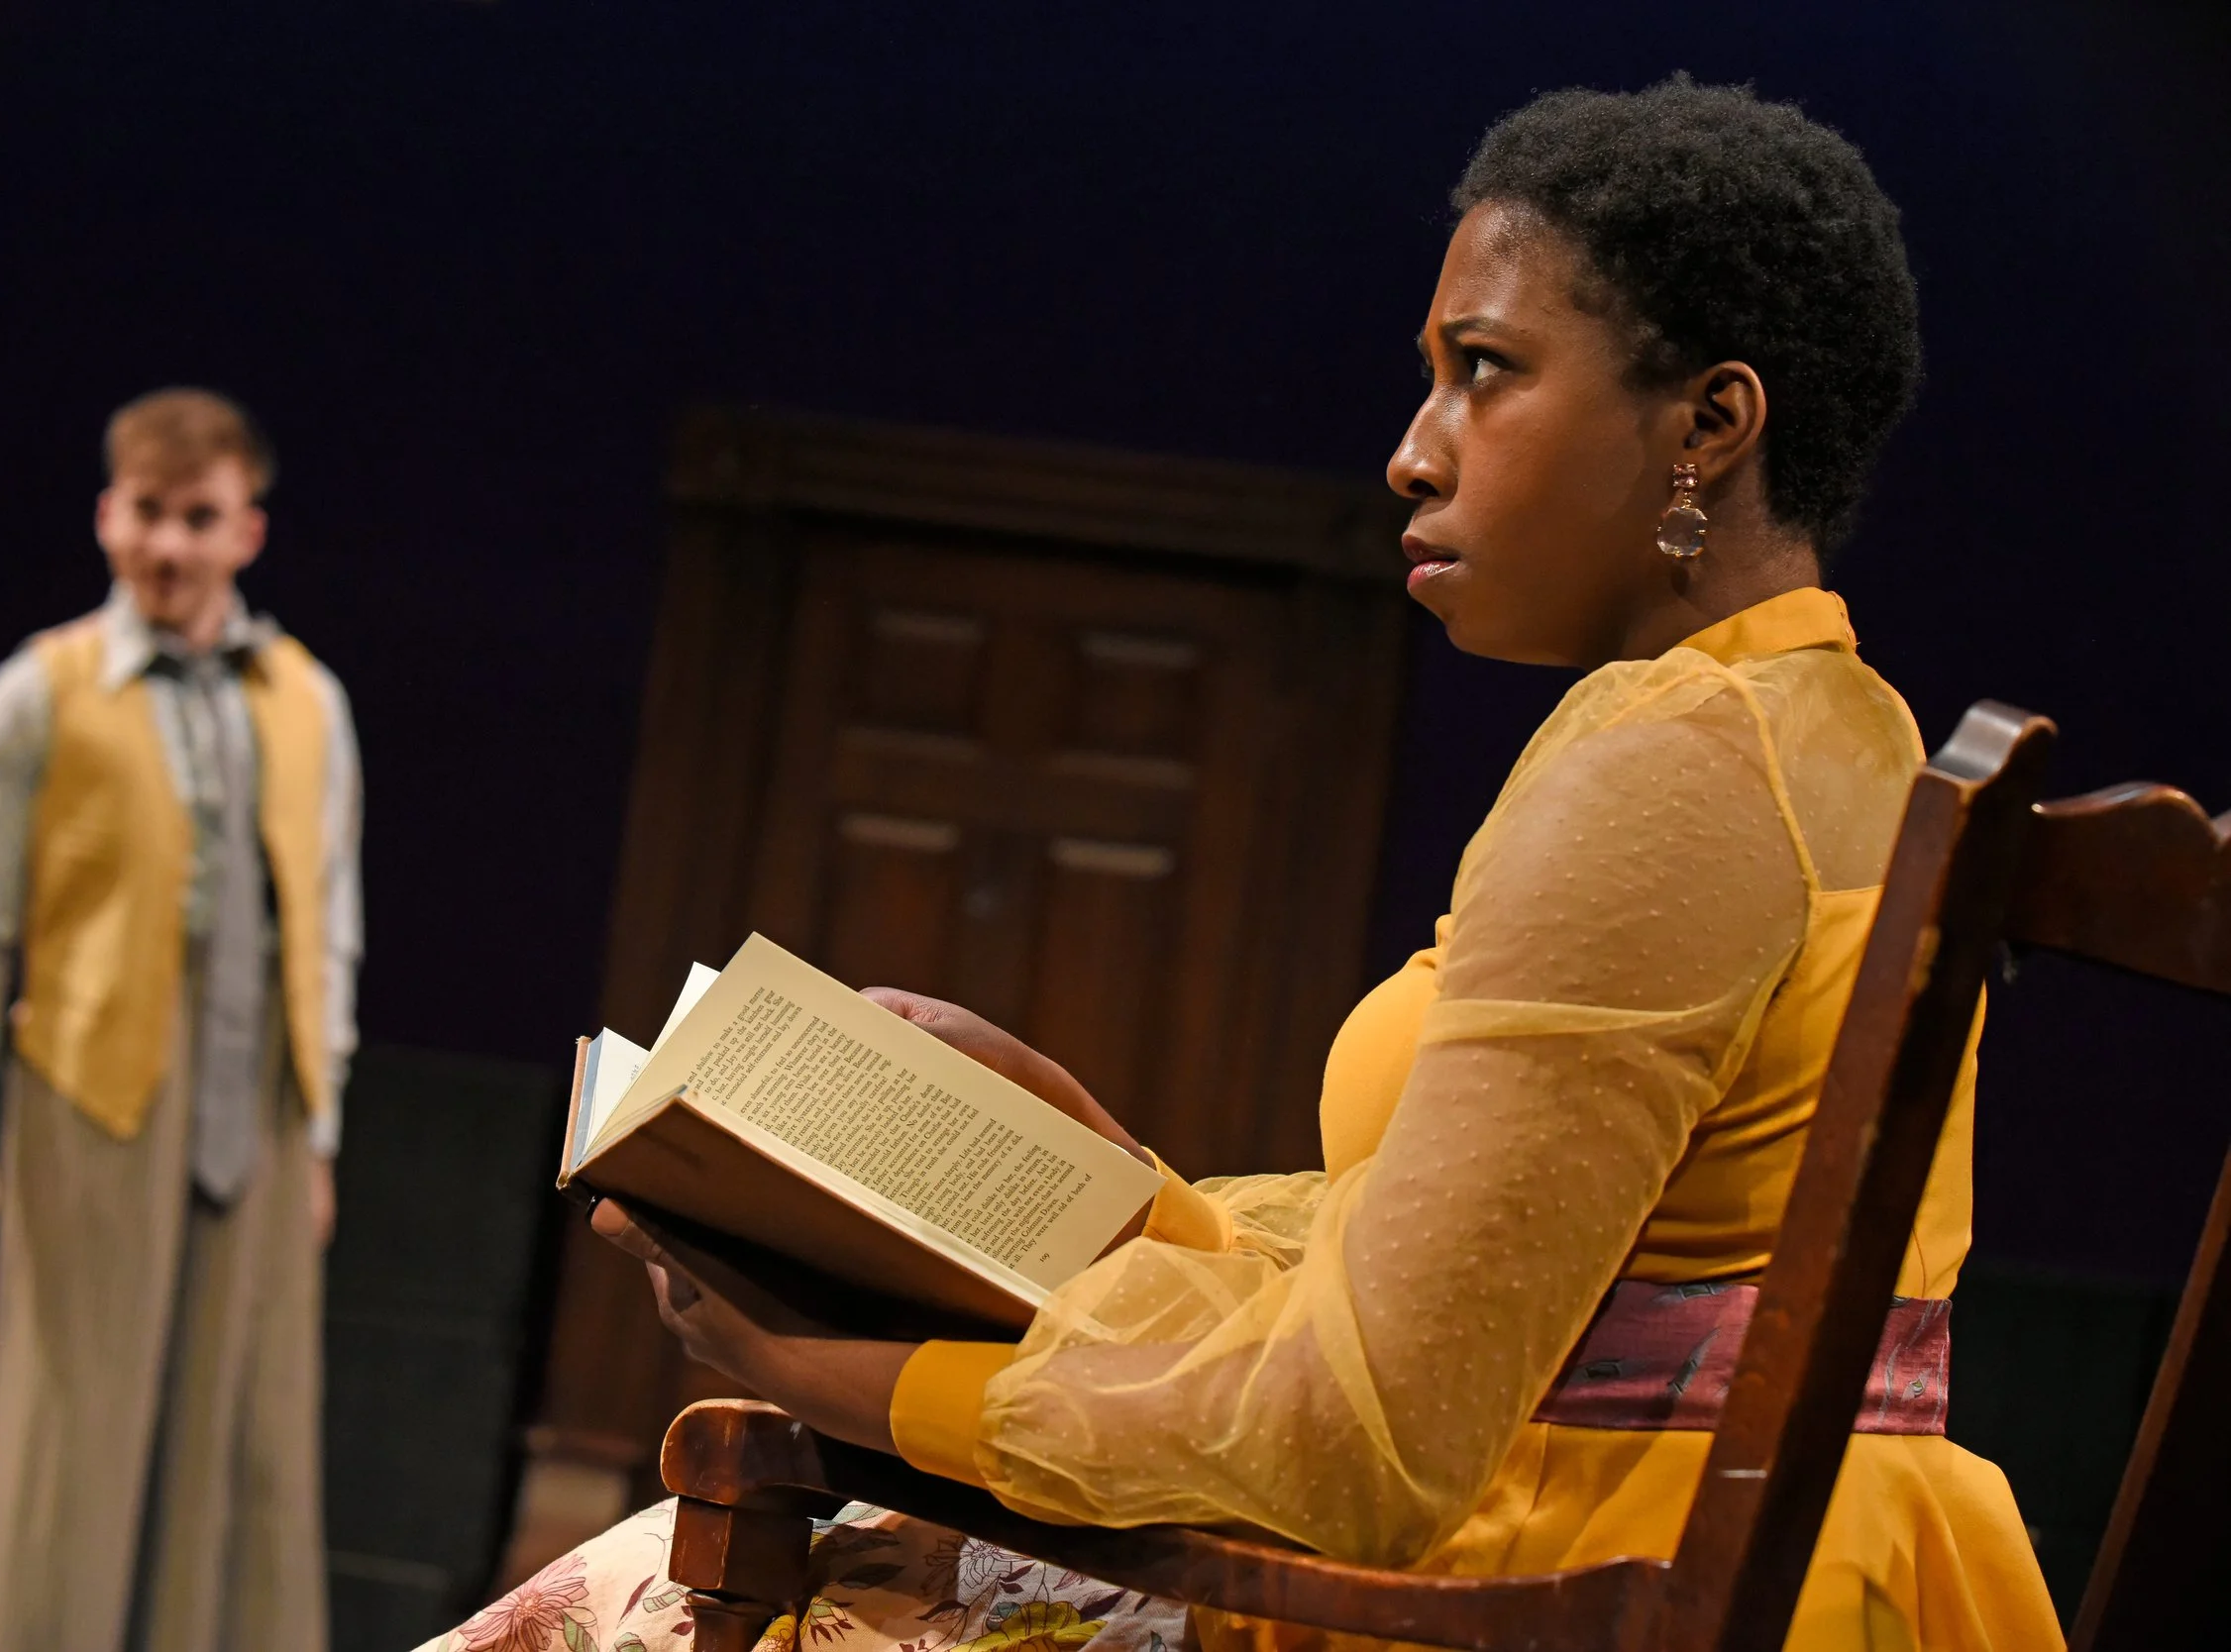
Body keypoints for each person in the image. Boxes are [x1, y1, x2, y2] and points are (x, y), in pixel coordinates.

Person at [434, 78, 2060, 1652]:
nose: (1414, 451)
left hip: (1574, 1581)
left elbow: (1361, 1439)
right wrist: (1123, 1185)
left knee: (645, 1594)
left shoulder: (1674, 767)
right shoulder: (1831, 722)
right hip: (1733, 1545)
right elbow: (1507, 1283)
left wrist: (844, 1375)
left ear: (1711, 422)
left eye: (1484, 371)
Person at [0, 387, 364, 1652]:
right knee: (74, 1440)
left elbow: (325, 921)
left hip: (258, 1107)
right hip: (94, 1091)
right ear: (107, 516)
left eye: (197, 519)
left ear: (245, 532)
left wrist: (315, 1131)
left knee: (251, 1447)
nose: (168, 547)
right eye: (146, 514)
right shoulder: (40, 694)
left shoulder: (307, 700)